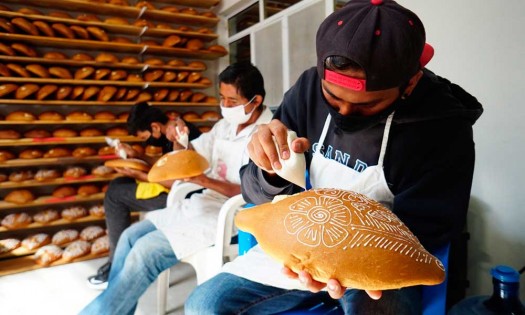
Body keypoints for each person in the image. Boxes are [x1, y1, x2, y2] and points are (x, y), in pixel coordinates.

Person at [185, 0, 483, 314]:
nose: (344, 114)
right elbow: (253, 191)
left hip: (382, 263)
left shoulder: (443, 128)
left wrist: (342, 260)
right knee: (205, 305)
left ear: (410, 82)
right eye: (333, 98)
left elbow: (432, 229)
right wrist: (269, 172)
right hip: (304, 235)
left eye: (367, 106)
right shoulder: (308, 90)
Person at [79, 62, 273, 315]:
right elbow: (193, 157)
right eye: (222, 98)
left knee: (146, 251)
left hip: (231, 217)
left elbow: (257, 193)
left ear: (255, 100)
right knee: (130, 236)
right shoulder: (223, 126)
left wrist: (203, 180)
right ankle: (116, 310)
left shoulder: (268, 132)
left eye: (232, 101)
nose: (225, 106)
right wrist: (181, 142)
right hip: (201, 203)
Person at [86, 102, 201, 289]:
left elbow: (184, 181)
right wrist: (138, 156)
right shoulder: (170, 130)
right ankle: (116, 263)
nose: (146, 141)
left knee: (115, 195)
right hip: (176, 189)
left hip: (185, 197)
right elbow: (166, 164)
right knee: (117, 185)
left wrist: (143, 176)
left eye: (145, 137)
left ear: (155, 126)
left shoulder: (180, 135)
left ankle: (116, 268)